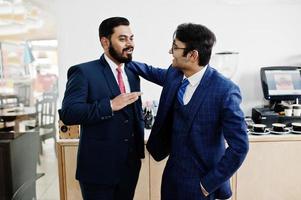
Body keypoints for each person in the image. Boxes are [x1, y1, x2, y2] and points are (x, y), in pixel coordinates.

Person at [128, 23, 249, 200]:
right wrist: (124, 62)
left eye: (175, 47)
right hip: (172, 180)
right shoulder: (175, 74)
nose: (171, 51)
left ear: (193, 55)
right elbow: (151, 72)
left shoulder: (225, 91)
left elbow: (240, 147)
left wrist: (208, 184)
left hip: (204, 185)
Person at [59, 17, 145, 200]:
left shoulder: (132, 72)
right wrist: (110, 105)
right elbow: (69, 113)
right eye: (122, 39)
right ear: (105, 42)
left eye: (131, 38)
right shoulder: (83, 72)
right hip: (98, 170)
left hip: (129, 167)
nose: (130, 44)